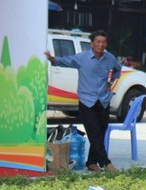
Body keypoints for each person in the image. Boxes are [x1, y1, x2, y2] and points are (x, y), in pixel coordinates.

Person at [45, 29, 122, 172]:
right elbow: (66, 61)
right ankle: (106, 163)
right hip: (87, 101)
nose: (101, 44)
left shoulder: (109, 58)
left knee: (100, 133)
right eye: (98, 42)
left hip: (103, 100)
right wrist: (52, 59)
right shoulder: (83, 58)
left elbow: (118, 68)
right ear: (92, 44)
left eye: (103, 42)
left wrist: (111, 82)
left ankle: (92, 162)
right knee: (93, 133)